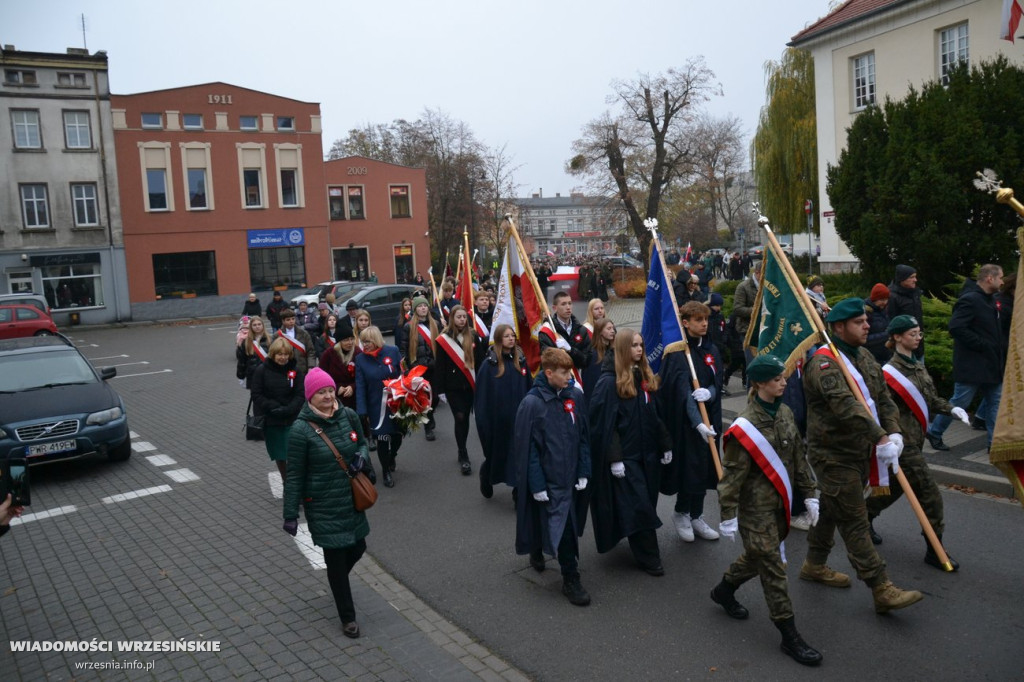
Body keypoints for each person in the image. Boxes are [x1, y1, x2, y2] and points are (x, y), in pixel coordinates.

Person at [801, 298, 923, 614]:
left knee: (830, 507)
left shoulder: (865, 356)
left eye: (866, 320)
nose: (867, 325)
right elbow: (846, 407)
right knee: (855, 519)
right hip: (833, 455)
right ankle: (881, 587)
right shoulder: (823, 364)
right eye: (859, 322)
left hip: (861, 449)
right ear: (839, 327)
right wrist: (880, 435)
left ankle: (814, 564)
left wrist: (893, 432)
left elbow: (884, 399)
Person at [712, 354, 822, 666]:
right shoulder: (744, 427)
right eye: (777, 379)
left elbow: (799, 458)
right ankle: (789, 635)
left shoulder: (785, 412)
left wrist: (810, 495)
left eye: (783, 378)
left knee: (757, 557)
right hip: (754, 510)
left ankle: (724, 590)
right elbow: (731, 476)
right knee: (773, 567)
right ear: (760, 383)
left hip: (780, 505)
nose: (784, 383)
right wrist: (727, 515)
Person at [867, 314, 968, 567]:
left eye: (919, 333)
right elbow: (880, 409)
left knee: (895, 488)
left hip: (916, 440)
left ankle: (863, 517)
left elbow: (931, 399)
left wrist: (951, 409)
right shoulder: (888, 373)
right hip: (902, 443)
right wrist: (888, 437)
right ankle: (935, 549)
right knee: (930, 494)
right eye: (913, 334)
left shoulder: (917, 366)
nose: (918, 338)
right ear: (897, 337)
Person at [282, 367, 372, 639]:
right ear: (310, 396)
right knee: (336, 557)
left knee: (358, 546)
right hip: (322, 503)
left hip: (350, 499)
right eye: (321, 392)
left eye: (330, 390)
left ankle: (337, 582)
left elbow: (363, 443)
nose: (328, 396)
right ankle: (348, 618)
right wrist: (290, 514)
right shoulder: (300, 430)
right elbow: (295, 473)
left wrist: (362, 457)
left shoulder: (348, 416)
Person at [587, 329, 672, 576]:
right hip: (627, 457)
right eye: (634, 345)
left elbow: (654, 415)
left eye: (641, 345)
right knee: (640, 506)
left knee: (645, 502)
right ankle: (649, 557)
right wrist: (615, 458)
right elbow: (605, 424)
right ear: (624, 349)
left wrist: (665, 444)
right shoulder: (608, 382)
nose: (639, 349)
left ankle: (638, 541)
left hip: (648, 455)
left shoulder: (643, 376)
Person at [513, 348, 593, 606]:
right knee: (555, 526)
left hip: (569, 478)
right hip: (548, 480)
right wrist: (536, 484)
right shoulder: (532, 403)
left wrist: (583, 469)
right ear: (548, 373)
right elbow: (528, 449)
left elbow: (582, 436)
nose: (570, 377)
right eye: (564, 372)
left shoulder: (574, 396)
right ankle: (570, 577)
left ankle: (559, 564)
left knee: (564, 527)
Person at [658, 301, 722, 543]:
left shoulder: (711, 349)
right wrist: (697, 423)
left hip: (711, 420)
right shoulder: (677, 353)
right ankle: (682, 512)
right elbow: (682, 391)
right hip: (686, 425)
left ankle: (697, 515)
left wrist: (711, 393)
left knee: (706, 469)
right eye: (698, 320)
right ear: (685, 323)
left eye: (705, 319)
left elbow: (718, 381)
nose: (704, 323)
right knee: (690, 469)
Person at [926, 264, 1006, 451]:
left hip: (992, 365)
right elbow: (956, 328)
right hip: (972, 365)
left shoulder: (992, 300)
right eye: (1000, 277)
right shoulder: (970, 300)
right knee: (959, 403)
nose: (1002, 281)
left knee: (995, 403)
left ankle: (993, 444)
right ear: (989, 278)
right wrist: (983, 344)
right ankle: (935, 432)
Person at [474, 324, 531, 499]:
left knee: (519, 456)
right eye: (507, 336)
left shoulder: (520, 362)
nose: (511, 339)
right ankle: (486, 474)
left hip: (519, 420)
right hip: (498, 422)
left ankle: (517, 492)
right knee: (496, 454)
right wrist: (484, 423)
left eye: (513, 336)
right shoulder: (489, 365)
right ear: (499, 339)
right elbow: (482, 399)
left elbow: (529, 388)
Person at [355, 326, 404, 487]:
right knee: (382, 439)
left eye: (367, 341)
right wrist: (362, 411)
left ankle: (392, 457)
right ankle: (386, 471)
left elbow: (403, 375)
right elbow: (360, 385)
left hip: (396, 403)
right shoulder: (361, 359)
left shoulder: (393, 351)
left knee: (397, 436)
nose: (365, 345)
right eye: (363, 342)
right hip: (376, 407)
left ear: (376, 339)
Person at [252, 337, 306, 482]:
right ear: (273, 354)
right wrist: (272, 406)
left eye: (286, 354)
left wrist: (289, 409)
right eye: (279, 354)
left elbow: (300, 394)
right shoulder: (261, 370)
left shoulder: (295, 370)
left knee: (294, 454)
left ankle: (296, 483)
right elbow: (256, 394)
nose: (283, 358)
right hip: (272, 420)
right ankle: (287, 482)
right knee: (280, 455)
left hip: (292, 419)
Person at [434, 305, 479, 476]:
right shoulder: (444, 339)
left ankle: (462, 446)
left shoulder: (474, 336)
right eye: (458, 317)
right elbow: (440, 366)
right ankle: (463, 452)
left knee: (466, 419)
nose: (462, 319)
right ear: (452, 318)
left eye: (464, 316)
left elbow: (480, 361)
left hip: (470, 386)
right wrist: (440, 390)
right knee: (460, 418)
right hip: (453, 387)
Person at [397, 296, 440, 441]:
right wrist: (407, 369)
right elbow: (403, 350)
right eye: (420, 306)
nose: (423, 308)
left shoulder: (436, 324)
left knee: (435, 398)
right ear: (415, 309)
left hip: (434, 367)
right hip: (418, 368)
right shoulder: (409, 327)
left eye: (425, 306)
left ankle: (431, 414)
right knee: (425, 399)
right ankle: (428, 427)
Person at [538, 291, 592, 386]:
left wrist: (571, 350)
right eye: (563, 304)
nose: (568, 307)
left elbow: (586, 360)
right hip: (556, 383)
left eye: (570, 303)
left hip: (578, 381)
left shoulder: (581, 330)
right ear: (555, 308)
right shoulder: (547, 331)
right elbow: (547, 361)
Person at [886, 264, 925, 360]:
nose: (915, 280)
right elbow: (890, 322)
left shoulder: (915, 294)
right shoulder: (892, 297)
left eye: (915, 277)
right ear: (902, 279)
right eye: (911, 277)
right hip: (902, 348)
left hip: (918, 346)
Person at [319, 332, 361, 411]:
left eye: (352, 339)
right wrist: (336, 388)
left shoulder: (357, 352)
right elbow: (322, 376)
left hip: (355, 398)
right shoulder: (329, 354)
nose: (350, 343)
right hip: (335, 398)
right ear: (339, 341)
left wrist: (353, 387)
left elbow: (363, 375)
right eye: (346, 340)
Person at [276, 309, 316, 375]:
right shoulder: (277, 335)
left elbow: (311, 351)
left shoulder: (304, 334)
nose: (291, 321)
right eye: (288, 320)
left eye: (293, 319)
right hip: (283, 369)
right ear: (283, 321)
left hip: (302, 369)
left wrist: (311, 367)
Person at [236, 316, 271, 389]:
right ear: (250, 327)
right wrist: (241, 376)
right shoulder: (246, 342)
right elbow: (242, 361)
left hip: (268, 374)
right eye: (254, 325)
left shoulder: (270, 340)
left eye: (259, 324)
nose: (257, 327)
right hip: (253, 375)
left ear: (263, 325)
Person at [582, 318, 615, 392]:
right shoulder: (593, 354)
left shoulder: (612, 350)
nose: (612, 331)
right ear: (600, 331)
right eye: (609, 329)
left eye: (612, 328)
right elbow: (591, 381)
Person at [864, 284, 891, 364]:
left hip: (885, 356)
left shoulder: (883, 310)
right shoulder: (866, 313)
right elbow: (865, 340)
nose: (885, 302)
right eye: (882, 299)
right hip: (872, 358)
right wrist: (886, 335)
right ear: (874, 299)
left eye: (886, 299)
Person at [471, 290, 494, 368]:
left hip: (491, 350)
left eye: (486, 299)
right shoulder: (471, 317)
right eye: (481, 299)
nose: (485, 302)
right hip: (476, 353)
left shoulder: (494, 315)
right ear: (476, 302)